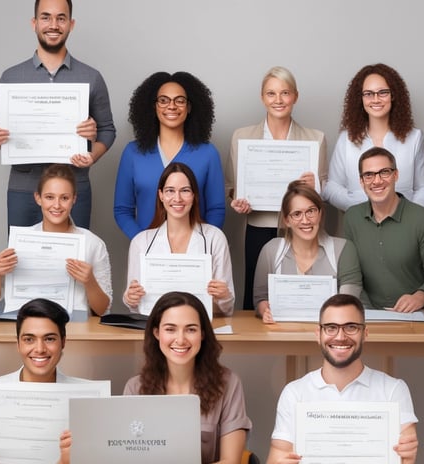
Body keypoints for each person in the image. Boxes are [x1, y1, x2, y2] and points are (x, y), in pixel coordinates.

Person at [0, 0, 116, 229]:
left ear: (71, 24)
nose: (53, 25)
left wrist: (91, 155)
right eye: (45, 17)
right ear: (34, 23)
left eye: (61, 18)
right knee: (23, 259)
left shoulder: (91, 77)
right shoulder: (11, 77)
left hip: (74, 186)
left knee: (73, 260)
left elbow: (107, 130)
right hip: (23, 188)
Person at [266, 294, 418, 464]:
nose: (340, 336)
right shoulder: (294, 392)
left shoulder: (393, 389)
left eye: (351, 327)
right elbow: (277, 455)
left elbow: (405, 458)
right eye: (331, 327)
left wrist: (408, 458)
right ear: (318, 334)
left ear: (365, 333)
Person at [226, 66, 328, 309]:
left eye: (285, 93)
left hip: (301, 227)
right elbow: (232, 186)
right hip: (258, 226)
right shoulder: (241, 137)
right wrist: (237, 200)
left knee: (301, 294)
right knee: (256, 295)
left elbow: (324, 191)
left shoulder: (316, 138)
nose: (278, 100)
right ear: (262, 98)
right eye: (271, 94)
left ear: (295, 96)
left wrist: (316, 188)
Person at [124, 291, 252, 464]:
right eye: (170, 329)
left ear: (203, 334)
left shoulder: (229, 383)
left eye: (191, 329)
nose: (181, 339)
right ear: (156, 333)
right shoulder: (134, 388)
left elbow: (231, 461)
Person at [0, 298, 97, 464]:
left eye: (49, 339)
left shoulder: (89, 399)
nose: (39, 349)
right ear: (18, 344)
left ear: (63, 342)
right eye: (29, 339)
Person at [0, 164, 112, 316]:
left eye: (64, 198)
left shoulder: (93, 244)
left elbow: (103, 310)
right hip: (29, 326)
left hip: (75, 329)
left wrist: (89, 281)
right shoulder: (22, 241)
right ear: (38, 198)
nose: (57, 205)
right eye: (49, 197)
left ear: (74, 199)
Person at [114, 71, 225, 240]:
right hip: (147, 252)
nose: (171, 106)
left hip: (194, 252)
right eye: (163, 100)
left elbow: (216, 209)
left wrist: (202, 242)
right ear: (154, 106)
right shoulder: (133, 153)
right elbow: (122, 210)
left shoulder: (208, 153)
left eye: (180, 101)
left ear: (189, 107)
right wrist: (143, 242)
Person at [344, 147, 424, 312]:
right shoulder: (352, 218)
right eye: (369, 175)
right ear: (361, 181)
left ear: (395, 175)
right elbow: (349, 273)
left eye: (384, 172)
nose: (377, 181)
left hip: (416, 314)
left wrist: (420, 296)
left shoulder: (421, 217)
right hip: (368, 314)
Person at [123, 162, 234, 316]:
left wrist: (224, 296)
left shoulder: (214, 237)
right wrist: (131, 298)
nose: (177, 198)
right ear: (161, 195)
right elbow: (135, 308)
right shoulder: (141, 242)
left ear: (194, 195)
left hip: (201, 327)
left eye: (185, 190)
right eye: (170, 191)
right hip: (157, 328)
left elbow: (226, 309)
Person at [322, 63, 424, 211]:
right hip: (359, 223)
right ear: (360, 99)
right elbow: (332, 187)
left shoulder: (414, 138)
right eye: (368, 94)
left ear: (393, 95)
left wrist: (409, 214)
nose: (375, 99)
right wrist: (359, 209)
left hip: (404, 224)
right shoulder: (346, 139)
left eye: (382, 92)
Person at [254, 181, 363, 323]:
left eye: (311, 211)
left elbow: (350, 303)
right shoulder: (271, 250)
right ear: (287, 220)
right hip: (283, 333)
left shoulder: (344, 249)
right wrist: (266, 312)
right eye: (297, 214)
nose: (305, 220)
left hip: (331, 333)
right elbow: (260, 298)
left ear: (320, 213)